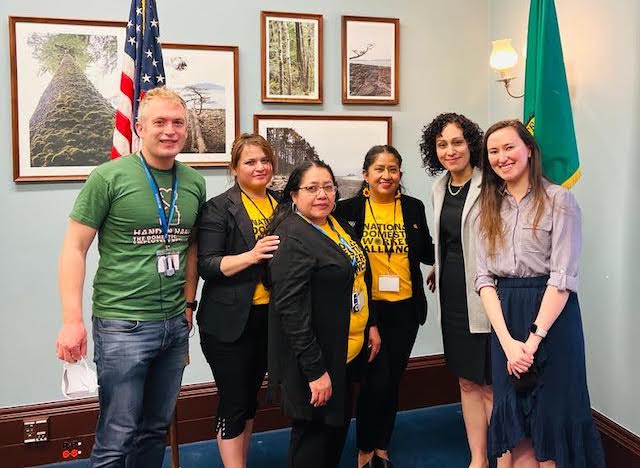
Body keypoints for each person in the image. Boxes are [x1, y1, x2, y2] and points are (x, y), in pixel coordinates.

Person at [55, 87, 206, 467]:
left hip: (173, 325)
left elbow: (190, 247)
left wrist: (189, 303)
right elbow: (74, 248)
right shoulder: (108, 177)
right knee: (117, 435)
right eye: (160, 122)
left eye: (178, 123)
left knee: (155, 429)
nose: (170, 130)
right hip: (123, 324)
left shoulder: (194, 182)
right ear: (139, 127)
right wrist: (72, 321)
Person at [475, 119, 604, 467]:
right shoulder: (485, 206)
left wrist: (531, 343)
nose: (501, 157)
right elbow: (484, 280)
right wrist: (507, 343)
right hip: (505, 321)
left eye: (509, 147)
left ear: (529, 150)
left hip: (551, 320)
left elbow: (562, 279)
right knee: (513, 424)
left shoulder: (559, 200)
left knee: (551, 418)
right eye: (493, 151)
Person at [267, 160, 381, 468]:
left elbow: (356, 278)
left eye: (328, 187)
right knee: (313, 441)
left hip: (345, 351)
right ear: (293, 195)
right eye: (312, 188)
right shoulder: (291, 236)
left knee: (334, 433)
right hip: (315, 360)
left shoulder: (335, 224)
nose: (322, 195)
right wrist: (316, 372)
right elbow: (291, 312)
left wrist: (369, 324)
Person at [336, 145, 434, 468]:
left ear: (400, 175)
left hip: (406, 310)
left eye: (393, 169)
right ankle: (365, 448)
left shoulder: (414, 208)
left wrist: (440, 265)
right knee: (374, 383)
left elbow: (428, 251)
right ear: (366, 174)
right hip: (368, 312)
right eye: (379, 169)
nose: (386, 175)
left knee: (392, 382)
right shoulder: (347, 211)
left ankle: (382, 446)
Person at [420, 113, 508, 468]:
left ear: (472, 144)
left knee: (489, 383)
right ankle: (477, 458)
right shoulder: (440, 186)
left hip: (487, 293)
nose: (449, 150)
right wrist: (438, 268)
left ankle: (502, 457)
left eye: (457, 142)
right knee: (467, 380)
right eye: (442, 144)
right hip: (452, 291)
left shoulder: (492, 183)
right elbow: (450, 239)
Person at [196, 133, 280, 468]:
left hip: (269, 320)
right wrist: (252, 255)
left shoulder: (282, 204)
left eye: (265, 160)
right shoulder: (219, 207)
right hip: (228, 324)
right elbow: (207, 265)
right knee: (233, 402)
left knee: (249, 401)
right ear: (234, 168)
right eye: (250, 162)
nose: (260, 167)